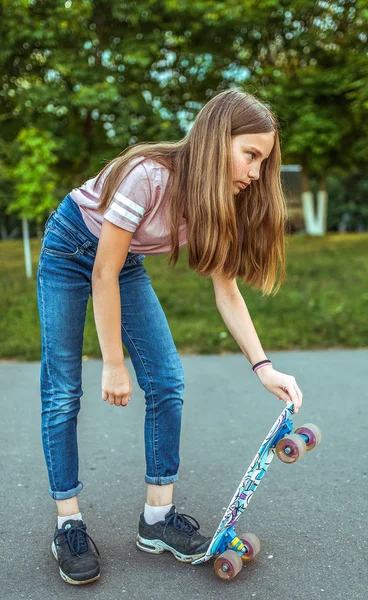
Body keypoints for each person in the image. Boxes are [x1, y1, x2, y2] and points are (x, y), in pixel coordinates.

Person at [37, 89, 303, 585]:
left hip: (121, 263)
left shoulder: (217, 201)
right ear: (217, 139)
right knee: (62, 391)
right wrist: (114, 362)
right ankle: (68, 523)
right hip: (69, 249)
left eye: (263, 163)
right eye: (251, 155)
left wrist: (264, 367)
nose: (256, 173)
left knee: (166, 379)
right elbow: (102, 273)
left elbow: (227, 291)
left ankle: (157, 519)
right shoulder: (150, 175)